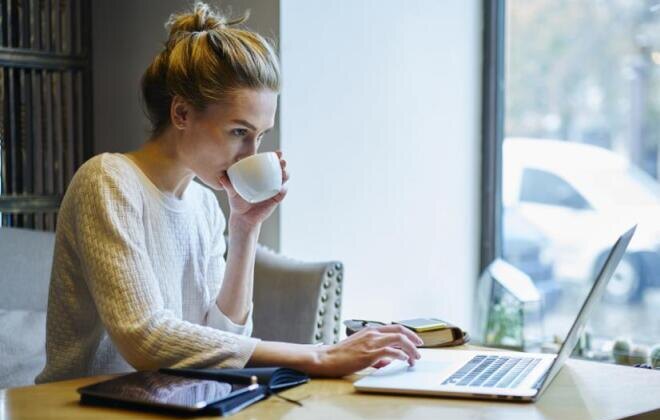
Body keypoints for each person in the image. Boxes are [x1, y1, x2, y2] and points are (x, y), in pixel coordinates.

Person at [36, 1, 421, 384]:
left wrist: (245, 229)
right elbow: (144, 340)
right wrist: (317, 354)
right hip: (73, 407)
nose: (250, 154)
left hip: (168, 404)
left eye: (260, 136)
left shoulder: (204, 205)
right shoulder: (107, 180)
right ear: (181, 114)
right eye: (239, 132)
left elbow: (221, 344)